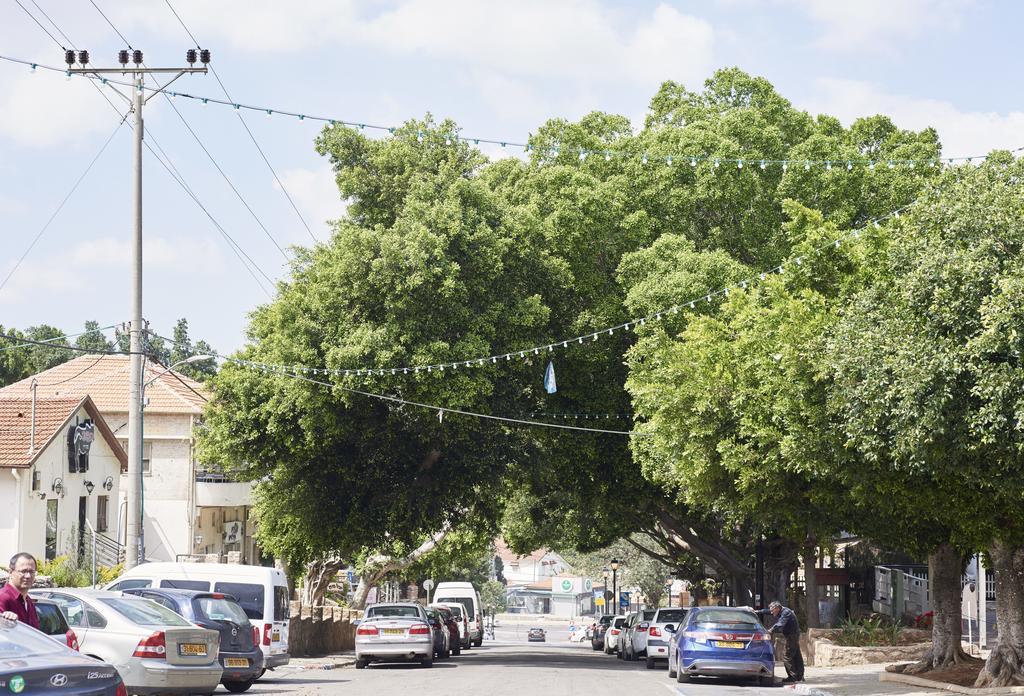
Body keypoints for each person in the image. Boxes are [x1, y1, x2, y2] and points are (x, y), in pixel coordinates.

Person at [757, 600, 803, 683]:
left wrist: (770, 630)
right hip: (792, 635)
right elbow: (768, 611)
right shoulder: (780, 610)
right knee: (796, 655)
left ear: (777, 608)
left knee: (787, 656)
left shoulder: (786, 613)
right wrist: (758, 611)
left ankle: (792, 677)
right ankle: (799, 676)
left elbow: (780, 624)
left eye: (772, 610)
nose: (771, 613)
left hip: (792, 635)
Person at [0, 553, 40, 629]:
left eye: (31, 572)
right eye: (23, 571)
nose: (28, 576)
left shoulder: (29, 602)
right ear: (10, 572)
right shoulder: (2, 598)